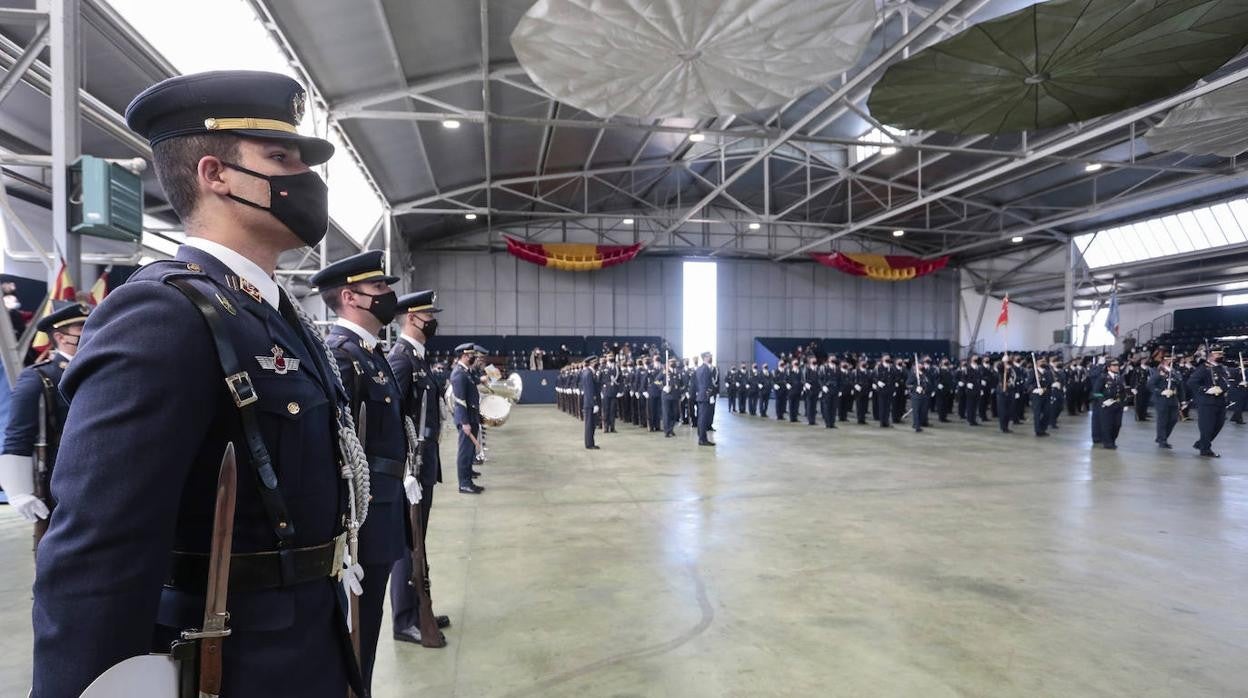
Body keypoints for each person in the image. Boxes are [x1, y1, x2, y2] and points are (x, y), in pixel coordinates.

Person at [32, 71, 368, 697]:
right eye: (279, 157)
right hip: (229, 665)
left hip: (305, 648)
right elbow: (98, 553)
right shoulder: (163, 314)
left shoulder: (274, 314)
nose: (305, 177)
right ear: (215, 174)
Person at [315, 250, 410, 689]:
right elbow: (338, 453)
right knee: (354, 632)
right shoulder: (341, 356)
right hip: (361, 521)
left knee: (366, 627)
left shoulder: (371, 356)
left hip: (380, 513)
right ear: (350, 296)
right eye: (380, 288)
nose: (389, 295)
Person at [387, 290, 452, 645]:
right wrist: (405, 468)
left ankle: (419, 604)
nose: (433, 320)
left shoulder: (418, 358)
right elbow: (393, 419)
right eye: (429, 315)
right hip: (412, 467)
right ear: (413, 318)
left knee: (418, 542)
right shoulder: (402, 359)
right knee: (405, 544)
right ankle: (405, 619)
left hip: (423, 465)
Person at [0, 303, 89, 547]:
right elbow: (18, 436)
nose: (89, 334)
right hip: (58, 478)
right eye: (81, 328)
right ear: (59, 336)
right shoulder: (40, 376)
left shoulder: (101, 370)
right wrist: (18, 491)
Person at [451, 343, 486, 492]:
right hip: (466, 419)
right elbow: (460, 401)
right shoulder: (459, 374)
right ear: (464, 356)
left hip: (472, 416)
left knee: (469, 449)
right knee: (465, 452)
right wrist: (464, 422)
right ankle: (464, 484)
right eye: (471, 355)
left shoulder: (465, 372)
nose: (474, 358)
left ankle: (468, 475)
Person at [1187, 347, 1231, 458]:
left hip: (1220, 401)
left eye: (1221, 354)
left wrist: (1222, 388)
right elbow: (1191, 382)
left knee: (1218, 425)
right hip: (1207, 402)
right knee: (1207, 427)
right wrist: (1207, 389)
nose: (1221, 356)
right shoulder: (1204, 368)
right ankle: (1205, 450)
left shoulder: (1222, 368)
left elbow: (1226, 382)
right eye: (1218, 354)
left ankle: (1201, 443)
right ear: (1211, 356)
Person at [1149, 354, 1181, 449]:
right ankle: (1162, 440)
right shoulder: (1159, 371)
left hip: (1173, 399)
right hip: (1162, 399)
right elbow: (1150, 384)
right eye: (1168, 359)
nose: (1171, 361)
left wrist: (1182, 400)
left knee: (1173, 419)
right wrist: (1161, 391)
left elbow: (1180, 386)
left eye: (1171, 359)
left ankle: (1162, 437)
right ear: (1164, 361)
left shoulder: (1175, 372)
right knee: (1162, 420)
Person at [1096, 358, 1127, 449]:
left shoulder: (1120, 377)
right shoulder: (1103, 377)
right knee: (1107, 425)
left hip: (1118, 404)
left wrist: (1124, 403)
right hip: (1107, 405)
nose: (1117, 367)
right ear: (1109, 367)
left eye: (1117, 365)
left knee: (1117, 424)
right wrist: (1103, 401)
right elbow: (1096, 392)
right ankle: (1107, 442)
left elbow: (1123, 392)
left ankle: (1112, 440)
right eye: (1114, 365)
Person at [694, 351, 716, 446]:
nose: (711, 357)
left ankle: (701, 436)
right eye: (709, 356)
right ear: (705, 358)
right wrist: (709, 394)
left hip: (701, 395)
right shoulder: (705, 369)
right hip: (705, 396)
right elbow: (706, 384)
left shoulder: (700, 368)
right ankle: (702, 439)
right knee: (703, 418)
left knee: (701, 418)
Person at [581, 356, 601, 449]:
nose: (597, 364)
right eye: (596, 362)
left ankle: (591, 443)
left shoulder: (589, 372)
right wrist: (594, 404)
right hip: (590, 404)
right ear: (592, 363)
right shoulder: (588, 373)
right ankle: (589, 444)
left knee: (592, 424)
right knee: (590, 424)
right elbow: (589, 391)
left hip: (590, 403)